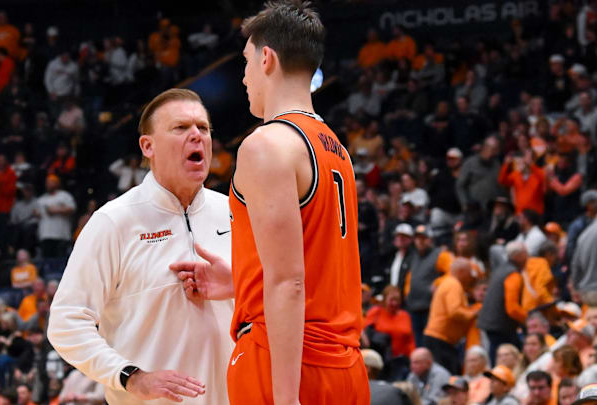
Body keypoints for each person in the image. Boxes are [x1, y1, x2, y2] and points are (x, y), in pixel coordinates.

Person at [174, 3, 368, 404]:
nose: (243, 77)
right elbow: (317, 265)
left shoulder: (266, 145)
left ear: (267, 58)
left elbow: (290, 282)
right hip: (346, 366)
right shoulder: (336, 149)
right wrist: (244, 283)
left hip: (285, 364)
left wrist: (285, 397)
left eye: (245, 62)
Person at [48, 89, 234, 404]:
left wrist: (239, 286)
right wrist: (130, 376)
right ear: (148, 146)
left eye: (203, 128)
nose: (197, 136)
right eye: (180, 128)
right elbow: (66, 322)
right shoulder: (113, 221)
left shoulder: (234, 212)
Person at [423, 258, 481, 374]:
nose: (470, 278)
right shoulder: (454, 285)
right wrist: (474, 313)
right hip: (440, 339)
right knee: (448, 375)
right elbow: (454, 312)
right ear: (461, 272)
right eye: (469, 273)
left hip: (440, 338)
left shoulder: (448, 283)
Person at [478, 241, 529, 363]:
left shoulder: (501, 269)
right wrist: (528, 319)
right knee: (506, 355)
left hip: (490, 322)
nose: (528, 257)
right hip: (501, 324)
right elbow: (512, 308)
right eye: (526, 254)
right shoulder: (513, 274)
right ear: (519, 256)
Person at [35, 175, 75, 258]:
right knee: (47, 262)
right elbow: (37, 214)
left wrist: (56, 210)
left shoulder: (64, 196)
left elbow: (72, 209)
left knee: (60, 261)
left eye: (51, 182)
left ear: (57, 183)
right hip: (45, 235)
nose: (49, 184)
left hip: (60, 235)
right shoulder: (41, 199)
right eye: (47, 182)